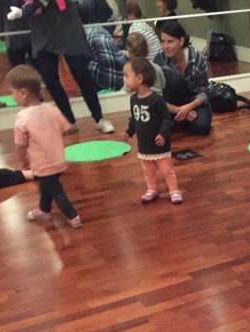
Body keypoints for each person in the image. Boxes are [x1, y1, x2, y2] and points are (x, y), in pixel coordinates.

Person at [8, 64, 81, 228]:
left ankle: (73, 215)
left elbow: (20, 145)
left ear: (23, 92)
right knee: (47, 185)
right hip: (58, 158)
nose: (12, 96)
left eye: (12, 92)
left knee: (56, 190)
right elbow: (68, 128)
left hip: (42, 163)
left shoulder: (22, 117)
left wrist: (23, 162)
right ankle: (44, 210)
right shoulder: (51, 109)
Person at [26, 0, 115, 133]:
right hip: (41, 26)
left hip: (67, 21)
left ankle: (99, 118)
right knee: (49, 78)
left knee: (81, 74)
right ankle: (69, 120)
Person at [123, 58, 182, 204]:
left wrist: (162, 134)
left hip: (159, 144)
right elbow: (134, 118)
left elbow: (166, 118)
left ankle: (174, 191)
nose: (124, 80)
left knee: (167, 170)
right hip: (144, 144)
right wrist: (130, 131)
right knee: (148, 170)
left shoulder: (156, 100)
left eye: (126, 76)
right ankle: (152, 189)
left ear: (139, 78)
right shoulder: (133, 99)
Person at [154, 21, 212, 135]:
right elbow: (155, 97)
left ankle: (179, 120)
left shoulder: (197, 57)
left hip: (193, 102)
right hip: (170, 104)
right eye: (163, 42)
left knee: (202, 127)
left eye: (170, 41)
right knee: (174, 79)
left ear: (181, 41)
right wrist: (177, 110)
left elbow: (205, 90)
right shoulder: (159, 59)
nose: (165, 46)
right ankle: (177, 118)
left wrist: (189, 108)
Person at [78, 3, 127, 91]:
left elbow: (108, 72)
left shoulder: (90, 36)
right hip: (118, 78)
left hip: (111, 83)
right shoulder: (95, 30)